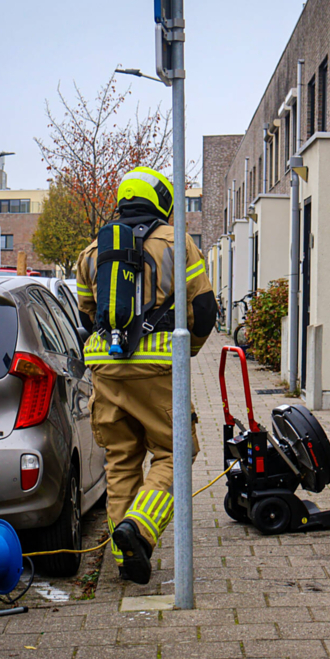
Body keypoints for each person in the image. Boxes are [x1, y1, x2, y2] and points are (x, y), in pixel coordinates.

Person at [76, 166, 217, 583]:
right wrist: (183, 353)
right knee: (176, 454)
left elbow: (87, 312)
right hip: (156, 369)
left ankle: (125, 562)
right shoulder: (178, 243)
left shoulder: (91, 252)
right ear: (162, 202)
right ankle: (138, 529)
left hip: (106, 369)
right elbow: (205, 311)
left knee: (121, 460)